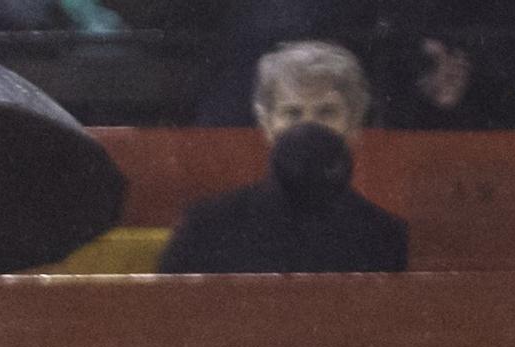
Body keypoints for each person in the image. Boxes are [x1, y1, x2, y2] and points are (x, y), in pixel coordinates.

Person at [160, 41, 407, 275]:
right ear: (267, 124)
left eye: (327, 112)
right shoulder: (207, 227)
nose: (309, 127)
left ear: (354, 124)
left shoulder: (385, 235)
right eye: (292, 113)